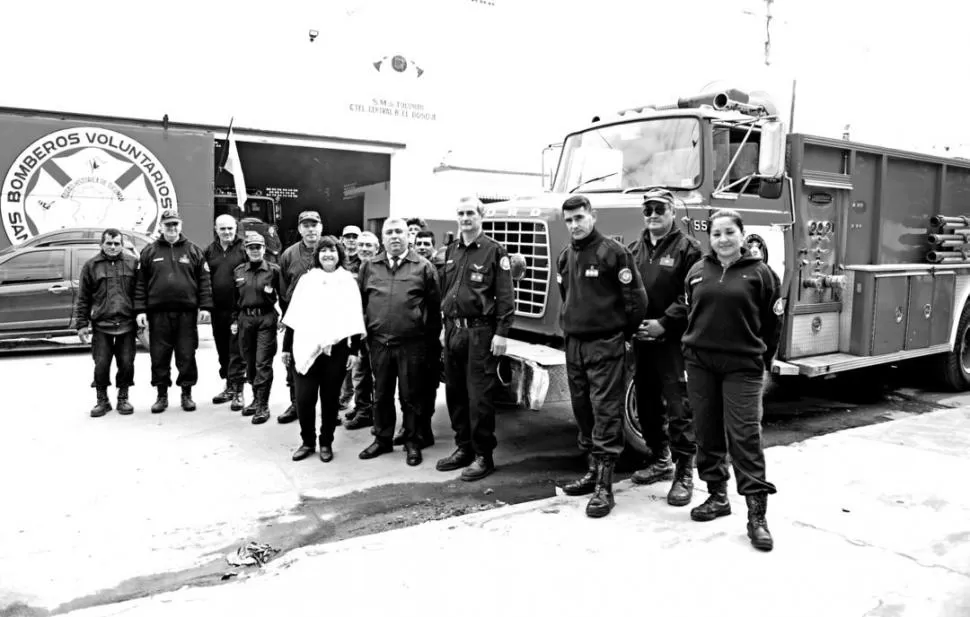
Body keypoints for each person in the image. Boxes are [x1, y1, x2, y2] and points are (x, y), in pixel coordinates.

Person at [682, 208, 782, 551]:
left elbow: (772, 325)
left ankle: (757, 515)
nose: (722, 239)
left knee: (744, 437)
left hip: (743, 367)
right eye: (716, 233)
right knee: (707, 433)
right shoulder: (697, 271)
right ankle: (716, 496)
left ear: (742, 236)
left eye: (729, 232)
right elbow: (690, 315)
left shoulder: (762, 275)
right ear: (709, 238)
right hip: (700, 365)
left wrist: (763, 363)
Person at [557, 195, 647, 518]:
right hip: (575, 346)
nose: (574, 225)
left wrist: (621, 335)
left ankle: (605, 489)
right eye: (568, 220)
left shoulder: (614, 254)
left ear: (592, 216)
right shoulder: (566, 257)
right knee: (582, 410)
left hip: (605, 344)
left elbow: (636, 300)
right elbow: (566, 296)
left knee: (606, 412)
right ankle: (593, 472)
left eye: (580, 218)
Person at [627, 190, 703, 506]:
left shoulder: (690, 249)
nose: (653, 215)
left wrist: (664, 322)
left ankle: (684, 473)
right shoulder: (633, 249)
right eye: (648, 209)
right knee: (645, 405)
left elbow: (693, 294)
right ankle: (660, 459)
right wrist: (635, 325)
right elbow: (627, 290)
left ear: (672, 211)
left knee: (679, 408)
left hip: (674, 342)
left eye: (660, 209)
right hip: (643, 342)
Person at [435, 197, 515, 481]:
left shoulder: (494, 251)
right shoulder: (451, 251)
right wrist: (445, 328)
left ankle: (484, 456)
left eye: (471, 213)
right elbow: (447, 292)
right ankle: (463, 448)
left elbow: (505, 296)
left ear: (481, 216)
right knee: (455, 392)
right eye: (461, 213)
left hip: (481, 333)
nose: (465, 217)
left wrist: (502, 333)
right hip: (454, 330)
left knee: (479, 396)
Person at [357, 218, 442, 467]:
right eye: (389, 232)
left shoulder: (424, 267)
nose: (394, 237)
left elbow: (434, 310)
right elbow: (361, 304)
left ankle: (413, 442)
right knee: (381, 395)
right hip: (379, 343)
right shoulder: (369, 267)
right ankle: (382, 439)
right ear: (382, 239)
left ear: (408, 237)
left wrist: (429, 346)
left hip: (412, 345)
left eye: (399, 232)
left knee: (411, 396)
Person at [282, 236, 366, 462]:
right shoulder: (307, 280)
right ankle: (307, 441)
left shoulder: (348, 281)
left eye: (332, 250)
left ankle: (326, 441)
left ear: (340, 254)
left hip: (336, 351)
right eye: (323, 251)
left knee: (330, 401)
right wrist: (286, 348)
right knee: (304, 399)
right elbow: (294, 316)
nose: (328, 254)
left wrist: (354, 351)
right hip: (305, 346)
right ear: (317, 255)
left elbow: (355, 317)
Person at [135, 209, 213, 413]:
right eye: (168, 224)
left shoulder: (194, 251)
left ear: (181, 225)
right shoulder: (149, 252)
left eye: (175, 224)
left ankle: (186, 394)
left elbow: (204, 281)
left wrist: (205, 306)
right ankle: (161, 395)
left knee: (186, 354)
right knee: (159, 355)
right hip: (158, 314)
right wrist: (140, 310)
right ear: (161, 227)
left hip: (186, 314)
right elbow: (140, 284)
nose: (172, 228)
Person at [75, 228, 138, 417]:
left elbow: (140, 293)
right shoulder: (91, 266)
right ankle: (102, 400)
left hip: (127, 323)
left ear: (122, 244)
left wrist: (143, 316)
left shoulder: (133, 263)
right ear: (101, 244)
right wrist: (81, 324)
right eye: (109, 243)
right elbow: (83, 298)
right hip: (102, 325)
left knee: (126, 363)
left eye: (116, 243)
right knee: (101, 363)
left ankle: (123, 398)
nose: (113, 247)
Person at [390, 229, 441, 446]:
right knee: (408, 389)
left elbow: (436, 303)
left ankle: (424, 430)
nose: (422, 246)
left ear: (433, 246)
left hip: (430, 338)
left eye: (427, 243)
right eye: (418, 242)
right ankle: (407, 427)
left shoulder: (437, 267)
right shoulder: (410, 268)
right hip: (412, 341)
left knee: (427, 387)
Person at [230, 232, 283, 425]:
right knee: (249, 361)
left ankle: (263, 405)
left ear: (264, 249)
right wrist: (235, 320)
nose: (255, 251)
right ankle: (254, 397)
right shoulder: (238, 271)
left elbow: (283, 296)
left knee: (263, 362)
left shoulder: (273, 270)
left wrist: (284, 317)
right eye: (251, 247)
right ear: (246, 249)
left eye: (258, 247)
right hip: (245, 320)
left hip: (266, 319)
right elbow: (234, 300)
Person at [277, 210, 323, 424]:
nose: (310, 229)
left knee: (326, 364)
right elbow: (283, 289)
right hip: (298, 319)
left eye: (314, 224)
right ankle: (296, 404)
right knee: (295, 364)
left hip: (325, 319)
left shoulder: (330, 249)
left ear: (320, 226)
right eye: (306, 225)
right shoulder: (289, 255)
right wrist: (288, 316)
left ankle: (329, 407)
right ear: (299, 229)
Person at [204, 214, 248, 411]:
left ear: (235, 228)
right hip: (217, 310)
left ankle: (239, 390)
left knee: (236, 351)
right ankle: (229, 385)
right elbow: (203, 280)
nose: (227, 232)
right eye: (222, 229)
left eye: (230, 228)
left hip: (238, 309)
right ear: (216, 229)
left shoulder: (244, 248)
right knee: (222, 349)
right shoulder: (209, 251)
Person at [343, 231, 379, 429]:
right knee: (359, 370)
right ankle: (362, 407)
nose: (364, 248)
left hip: (375, 328)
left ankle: (372, 411)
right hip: (357, 326)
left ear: (377, 248)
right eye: (361, 245)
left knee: (375, 373)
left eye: (369, 245)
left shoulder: (380, 269)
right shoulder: (350, 268)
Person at [338, 224, 363, 412]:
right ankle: (344, 396)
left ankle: (360, 400)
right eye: (348, 236)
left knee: (361, 362)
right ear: (342, 239)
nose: (352, 240)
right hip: (342, 316)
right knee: (344, 358)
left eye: (355, 236)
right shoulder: (339, 261)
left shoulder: (365, 261)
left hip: (362, 316)